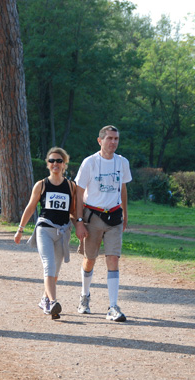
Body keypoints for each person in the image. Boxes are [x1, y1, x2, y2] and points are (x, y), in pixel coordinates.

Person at [74, 125, 132, 322]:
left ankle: (113, 306)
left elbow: (122, 188)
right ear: (100, 141)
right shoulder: (90, 162)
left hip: (114, 217)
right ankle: (84, 296)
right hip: (93, 217)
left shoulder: (122, 162)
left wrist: (125, 212)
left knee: (113, 259)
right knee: (90, 259)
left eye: (116, 139)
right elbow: (79, 193)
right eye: (109, 138)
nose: (113, 142)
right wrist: (79, 221)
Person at [14, 147, 76, 319]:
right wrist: (20, 229)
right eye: (51, 161)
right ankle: (53, 302)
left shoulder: (71, 186)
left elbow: (74, 211)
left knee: (55, 272)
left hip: (62, 232)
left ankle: (44, 299)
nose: (55, 164)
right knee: (48, 266)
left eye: (59, 161)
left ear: (64, 164)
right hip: (44, 230)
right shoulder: (41, 185)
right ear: (47, 164)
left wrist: (80, 227)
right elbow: (30, 207)